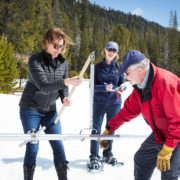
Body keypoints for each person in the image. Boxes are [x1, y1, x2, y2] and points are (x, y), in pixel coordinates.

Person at [100, 50, 180, 179]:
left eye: (126, 73)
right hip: (161, 132)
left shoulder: (165, 82)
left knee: (169, 172)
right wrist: (110, 128)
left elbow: (177, 121)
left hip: (177, 134)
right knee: (142, 159)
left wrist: (167, 149)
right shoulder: (141, 88)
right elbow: (128, 110)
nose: (125, 77)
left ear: (139, 70)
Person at [19, 27, 82, 180]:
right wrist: (67, 81)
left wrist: (64, 98)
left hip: (50, 111)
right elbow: (43, 85)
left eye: (62, 46)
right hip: (31, 109)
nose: (58, 50)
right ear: (46, 43)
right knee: (33, 146)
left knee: (58, 146)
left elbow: (62, 87)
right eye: (55, 46)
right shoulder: (35, 60)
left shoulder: (62, 62)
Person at [89, 41, 125, 170]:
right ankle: (94, 155)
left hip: (114, 103)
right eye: (109, 49)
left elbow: (123, 84)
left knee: (110, 129)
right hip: (99, 102)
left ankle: (107, 154)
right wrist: (104, 87)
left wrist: (121, 89)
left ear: (116, 53)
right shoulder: (97, 67)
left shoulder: (120, 68)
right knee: (96, 129)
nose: (111, 52)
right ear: (105, 51)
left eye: (114, 50)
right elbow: (91, 86)